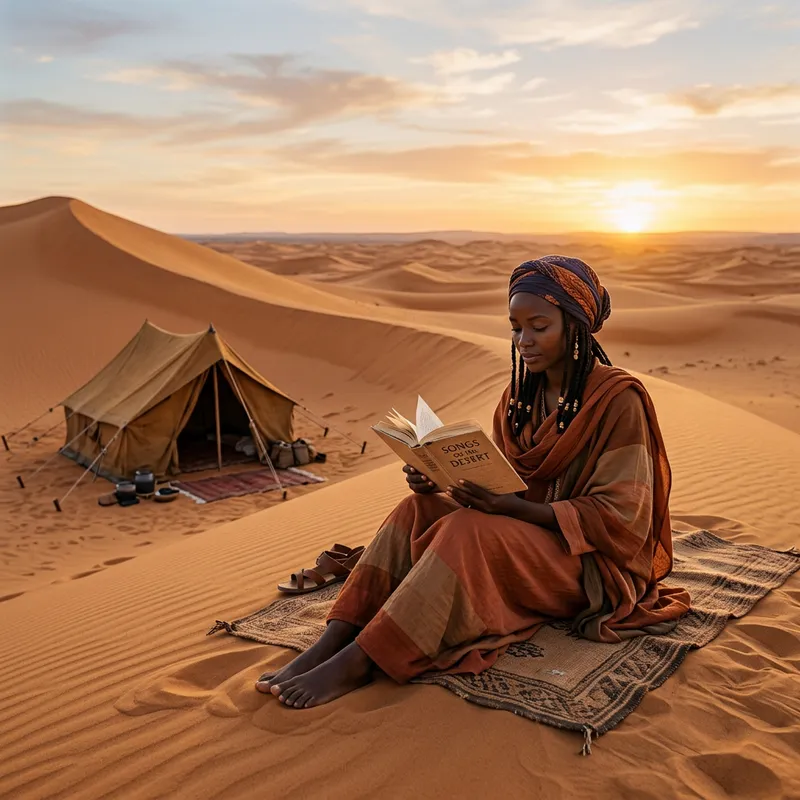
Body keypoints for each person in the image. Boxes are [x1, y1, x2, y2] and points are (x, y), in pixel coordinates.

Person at [256, 255, 691, 708]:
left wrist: (512, 509)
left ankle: (365, 659)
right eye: (516, 327)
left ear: (575, 325)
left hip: (589, 566)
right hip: (527, 538)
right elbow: (507, 481)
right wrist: (441, 482)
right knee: (414, 511)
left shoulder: (618, 402)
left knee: (467, 530)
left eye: (539, 326)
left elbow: (624, 517)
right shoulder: (520, 397)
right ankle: (335, 638)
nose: (524, 341)